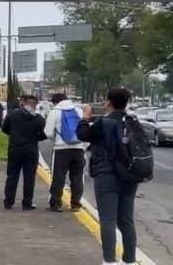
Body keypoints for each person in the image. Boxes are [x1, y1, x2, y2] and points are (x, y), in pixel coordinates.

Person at [77, 88, 138, 265]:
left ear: (108, 102)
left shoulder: (104, 123)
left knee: (108, 219)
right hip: (129, 175)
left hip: (107, 175)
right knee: (127, 219)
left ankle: (110, 261)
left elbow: (82, 135)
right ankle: (130, 260)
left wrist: (85, 117)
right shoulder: (133, 120)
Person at [2, 95, 46, 210]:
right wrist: (35, 138)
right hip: (31, 150)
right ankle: (27, 203)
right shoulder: (39, 119)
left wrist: (14, 135)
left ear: (24, 103)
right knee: (29, 177)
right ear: (35, 105)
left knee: (12, 176)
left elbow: (4, 128)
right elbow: (44, 134)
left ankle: (8, 201)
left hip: (15, 149)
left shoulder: (13, 114)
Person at [45, 93, 86, 213]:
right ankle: (75, 204)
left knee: (58, 177)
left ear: (55, 102)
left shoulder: (54, 112)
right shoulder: (79, 111)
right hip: (79, 149)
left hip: (61, 150)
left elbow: (48, 133)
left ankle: (56, 203)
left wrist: (56, 140)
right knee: (77, 177)